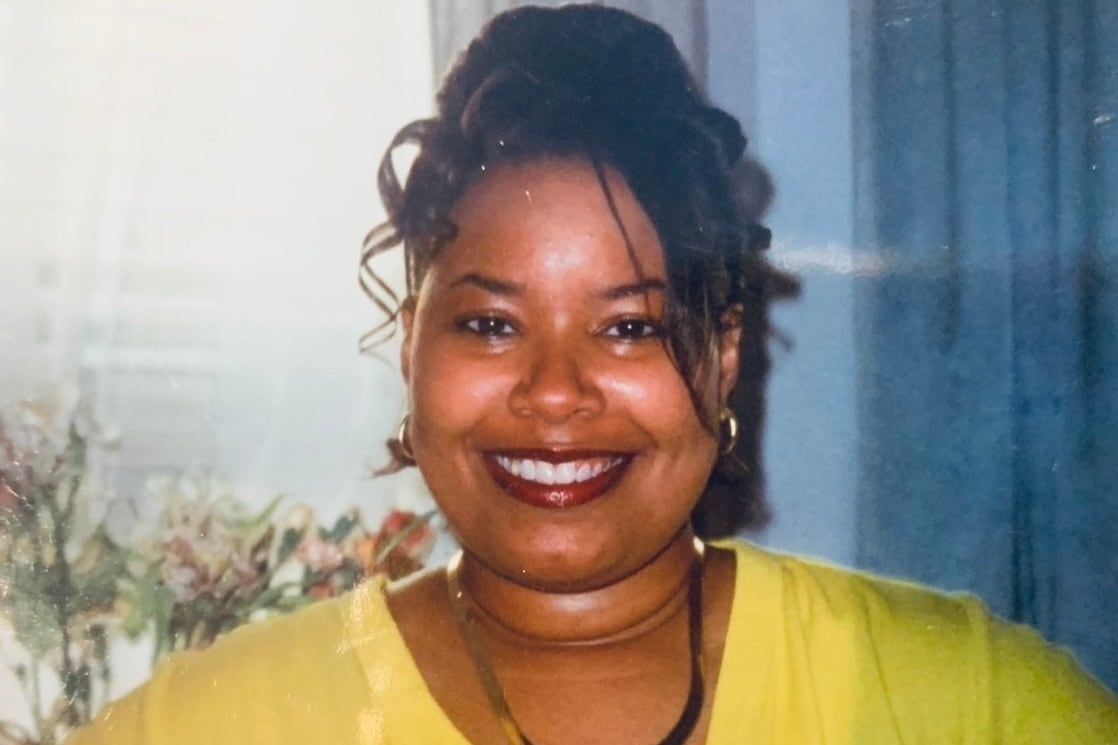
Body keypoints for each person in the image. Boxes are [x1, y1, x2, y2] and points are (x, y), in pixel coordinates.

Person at [69, 5, 1117, 744]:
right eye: (488, 322)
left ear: (723, 357)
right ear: (407, 347)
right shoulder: (205, 725)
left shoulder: (975, 702)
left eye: (627, 329)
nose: (555, 391)